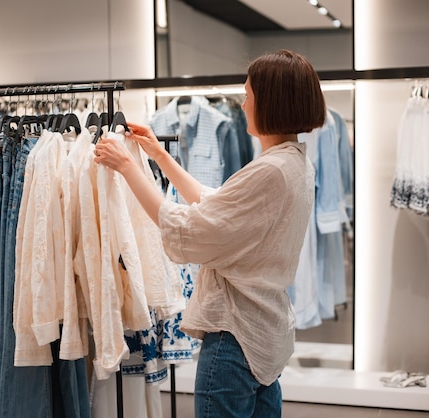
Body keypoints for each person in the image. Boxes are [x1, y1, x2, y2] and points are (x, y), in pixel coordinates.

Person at [93, 49, 326, 417]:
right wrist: (159, 155)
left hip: (236, 338)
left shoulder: (271, 171)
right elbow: (218, 204)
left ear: (270, 102)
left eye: (249, 96)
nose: (244, 104)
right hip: (264, 333)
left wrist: (128, 168)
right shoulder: (293, 162)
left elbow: (195, 230)